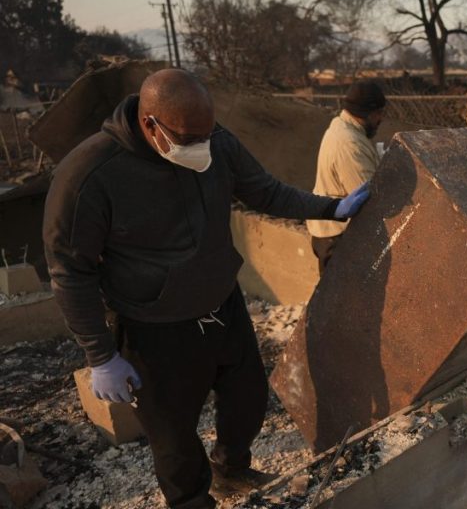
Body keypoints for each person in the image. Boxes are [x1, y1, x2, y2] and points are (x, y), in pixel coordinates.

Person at [43, 69, 369, 509]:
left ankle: (231, 469)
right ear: (150, 123)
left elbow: (265, 192)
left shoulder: (215, 141)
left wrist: (331, 207)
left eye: (207, 134)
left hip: (221, 306)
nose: (202, 146)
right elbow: (70, 270)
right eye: (189, 138)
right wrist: (100, 355)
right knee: (174, 437)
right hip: (154, 326)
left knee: (248, 398)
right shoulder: (89, 175)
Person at [306, 80, 387, 273]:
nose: (381, 119)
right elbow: (369, 200)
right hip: (337, 238)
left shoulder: (343, 125)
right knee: (343, 302)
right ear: (368, 113)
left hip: (334, 233)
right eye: (379, 113)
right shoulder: (350, 145)